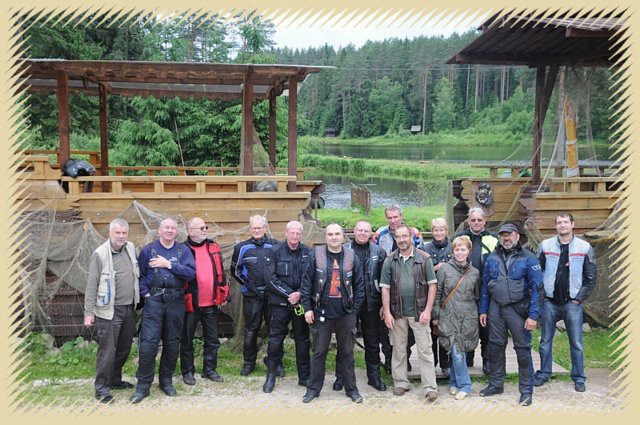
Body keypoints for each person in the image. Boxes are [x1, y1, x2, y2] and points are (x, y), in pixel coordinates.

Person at [130, 218, 196, 403]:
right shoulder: (148, 250)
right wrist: (145, 294)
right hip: (154, 301)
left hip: (176, 300)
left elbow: (190, 273)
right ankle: (143, 385)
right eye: (166, 227)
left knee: (172, 342)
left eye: (173, 228)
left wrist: (169, 265)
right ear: (159, 231)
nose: (169, 230)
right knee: (148, 344)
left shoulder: (184, 251)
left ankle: (166, 381)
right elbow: (140, 275)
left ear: (177, 232)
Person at [300, 223, 365, 404]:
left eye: (337, 234)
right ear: (326, 236)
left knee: (347, 353)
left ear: (343, 236)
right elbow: (306, 285)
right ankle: (313, 389)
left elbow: (360, 286)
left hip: (346, 312)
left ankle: (351, 389)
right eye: (330, 234)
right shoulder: (316, 255)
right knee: (319, 352)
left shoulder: (352, 256)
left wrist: (354, 310)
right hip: (321, 311)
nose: (334, 237)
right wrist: (308, 309)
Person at [478, 222, 542, 407]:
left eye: (509, 234)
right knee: (496, 347)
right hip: (496, 308)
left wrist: (533, 316)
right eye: (503, 235)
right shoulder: (491, 258)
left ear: (517, 236)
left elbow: (537, 289)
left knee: (522, 349)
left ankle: (526, 390)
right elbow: (485, 285)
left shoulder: (529, 259)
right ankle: (496, 384)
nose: (506, 238)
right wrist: (483, 309)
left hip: (519, 309)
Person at [534, 212, 597, 393]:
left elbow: (591, 277)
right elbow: (537, 272)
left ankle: (578, 377)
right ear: (556, 226)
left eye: (565, 222)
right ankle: (544, 373)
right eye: (559, 223)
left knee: (576, 342)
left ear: (572, 224)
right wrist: (542, 296)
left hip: (572, 303)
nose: (562, 225)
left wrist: (579, 299)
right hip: (550, 302)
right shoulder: (545, 245)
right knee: (545, 340)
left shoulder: (584, 247)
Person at [380, 224, 439, 402]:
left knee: (425, 350)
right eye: (398, 237)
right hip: (397, 312)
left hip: (419, 312)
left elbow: (432, 286)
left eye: (404, 236)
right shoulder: (390, 260)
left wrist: (428, 311)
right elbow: (385, 289)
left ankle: (429, 387)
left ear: (411, 237)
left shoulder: (424, 258)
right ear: (395, 239)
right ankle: (400, 382)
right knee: (398, 349)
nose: (402, 240)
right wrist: (388, 313)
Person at [84, 218, 139, 404]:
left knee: (123, 348)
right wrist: (88, 312)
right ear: (110, 233)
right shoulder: (99, 254)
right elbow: (92, 285)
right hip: (109, 311)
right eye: (118, 233)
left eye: (124, 233)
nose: (121, 236)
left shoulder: (130, 248)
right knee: (107, 351)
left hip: (129, 308)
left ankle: (115, 380)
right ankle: (101, 389)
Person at [333, 220, 387, 392]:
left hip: (372, 304)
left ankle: (374, 377)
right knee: (345, 341)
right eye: (360, 230)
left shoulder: (379, 252)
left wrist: (383, 305)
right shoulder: (344, 251)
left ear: (371, 233)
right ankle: (341, 377)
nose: (363, 233)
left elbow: (386, 280)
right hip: (348, 304)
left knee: (372, 342)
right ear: (354, 232)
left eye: (366, 230)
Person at [372, 204, 423, 372]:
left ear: (402, 216)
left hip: (409, 287)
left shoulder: (414, 233)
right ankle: (389, 360)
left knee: (407, 330)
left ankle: (405, 357)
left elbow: (421, 260)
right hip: (386, 286)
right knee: (385, 327)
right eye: (389, 218)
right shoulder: (380, 235)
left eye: (396, 217)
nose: (393, 221)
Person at [262, 220, 312, 393]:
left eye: (298, 233)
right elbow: (270, 279)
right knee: (275, 341)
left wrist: (299, 294)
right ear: (286, 233)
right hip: (279, 304)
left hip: (300, 303)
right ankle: (271, 376)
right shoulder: (274, 251)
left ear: (301, 234)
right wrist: (289, 294)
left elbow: (310, 278)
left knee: (303, 340)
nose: (295, 236)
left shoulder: (308, 252)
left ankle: (304, 377)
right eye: (292, 232)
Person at [180, 217, 228, 386]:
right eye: (200, 228)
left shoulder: (213, 246)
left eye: (205, 227)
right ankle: (187, 372)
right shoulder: (182, 249)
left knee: (212, 339)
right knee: (186, 339)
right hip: (190, 303)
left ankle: (209, 370)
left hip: (211, 303)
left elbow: (221, 271)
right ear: (190, 231)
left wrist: (223, 292)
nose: (204, 230)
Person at [231, 215, 280, 376]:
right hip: (252, 296)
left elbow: (280, 269)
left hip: (273, 296)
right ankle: (248, 363)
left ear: (265, 228)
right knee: (251, 330)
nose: (257, 230)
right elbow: (235, 271)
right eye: (254, 228)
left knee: (275, 330)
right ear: (250, 228)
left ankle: (276, 362)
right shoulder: (241, 248)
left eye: (260, 227)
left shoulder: (275, 246)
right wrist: (250, 287)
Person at [432, 236, 480, 400]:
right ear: (452, 251)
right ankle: (465, 384)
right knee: (454, 350)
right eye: (457, 249)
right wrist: (436, 315)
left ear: (469, 251)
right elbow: (438, 293)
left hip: (467, 317)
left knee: (459, 350)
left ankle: (455, 382)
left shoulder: (474, 273)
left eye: (463, 249)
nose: (460, 252)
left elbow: (477, 295)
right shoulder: (444, 269)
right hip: (448, 316)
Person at [455, 207, 498, 374]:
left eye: (479, 220)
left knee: (486, 327)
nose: (476, 223)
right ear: (468, 221)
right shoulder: (460, 237)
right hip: (466, 290)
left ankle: (487, 360)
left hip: (487, 289)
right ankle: (468, 356)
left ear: (485, 221)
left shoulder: (493, 239)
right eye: (473, 220)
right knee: (467, 326)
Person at [423, 217, 452, 376]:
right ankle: (431, 362)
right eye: (435, 230)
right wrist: (435, 267)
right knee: (430, 330)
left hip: (448, 294)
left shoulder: (453, 247)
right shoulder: (425, 248)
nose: (439, 233)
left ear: (446, 231)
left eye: (441, 230)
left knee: (445, 330)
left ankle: (446, 364)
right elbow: (420, 270)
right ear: (432, 231)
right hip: (430, 293)